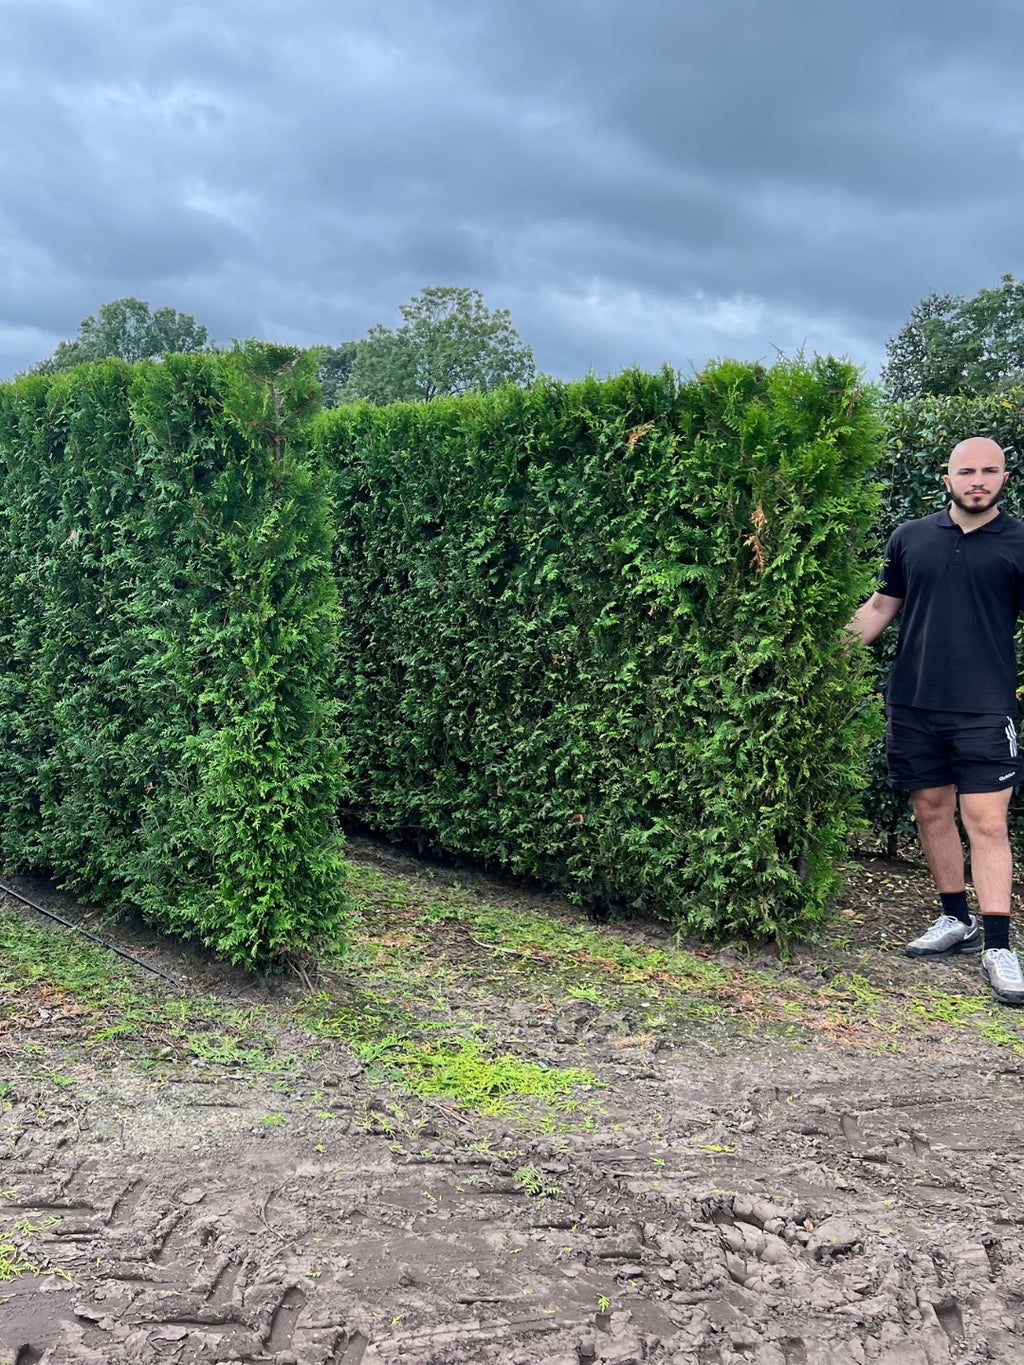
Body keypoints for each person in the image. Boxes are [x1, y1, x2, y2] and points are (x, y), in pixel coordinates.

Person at [846, 435, 1024, 1005]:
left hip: (986, 706)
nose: (978, 480)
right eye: (967, 471)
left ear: (1003, 477)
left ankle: (998, 943)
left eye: (989, 471)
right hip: (914, 702)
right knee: (931, 810)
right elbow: (879, 608)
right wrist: (822, 659)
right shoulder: (911, 538)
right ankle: (956, 919)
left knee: (988, 821)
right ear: (946, 478)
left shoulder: (1020, 542)